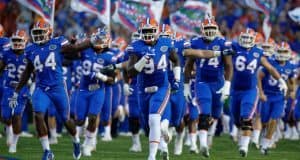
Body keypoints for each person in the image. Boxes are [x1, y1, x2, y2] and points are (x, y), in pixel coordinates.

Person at [9, 19, 101, 160]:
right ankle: (47, 151)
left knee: (65, 119)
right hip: (41, 88)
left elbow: (74, 49)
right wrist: (16, 92)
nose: (38, 35)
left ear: (49, 32)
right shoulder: (30, 49)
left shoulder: (57, 42)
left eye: (41, 32)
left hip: (58, 87)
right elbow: (27, 71)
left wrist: (91, 41)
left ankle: (76, 141)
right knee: (38, 115)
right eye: (36, 33)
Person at [126, 18, 181, 160]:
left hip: (161, 87)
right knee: (147, 125)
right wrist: (143, 60)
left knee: (154, 118)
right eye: (146, 31)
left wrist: (177, 79)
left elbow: (175, 60)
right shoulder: (136, 46)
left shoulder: (166, 43)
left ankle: (152, 156)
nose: (148, 34)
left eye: (151, 31)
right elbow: (130, 72)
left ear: (157, 31)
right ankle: (162, 144)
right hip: (142, 89)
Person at [229, 28, 287, 157]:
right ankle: (244, 137)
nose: (246, 41)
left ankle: (245, 147)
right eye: (244, 38)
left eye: (249, 38)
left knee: (247, 117)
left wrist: (281, 81)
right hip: (235, 89)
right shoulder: (234, 47)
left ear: (254, 40)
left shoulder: (258, 52)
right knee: (237, 119)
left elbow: (270, 68)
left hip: (250, 90)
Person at [184, 17, 233, 157]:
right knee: (204, 113)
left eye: (212, 29)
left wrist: (227, 85)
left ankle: (209, 137)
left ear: (216, 30)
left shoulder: (223, 43)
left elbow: (229, 66)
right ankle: (203, 144)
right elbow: (188, 65)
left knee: (216, 114)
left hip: (218, 83)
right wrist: (186, 85)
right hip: (202, 82)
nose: (210, 32)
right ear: (202, 30)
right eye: (207, 29)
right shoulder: (195, 42)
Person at [75, 27, 116, 156]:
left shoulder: (109, 56)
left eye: (100, 39)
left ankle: (88, 143)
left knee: (93, 117)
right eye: (96, 39)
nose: (97, 42)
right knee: (80, 120)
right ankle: (83, 139)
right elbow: (72, 52)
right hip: (83, 89)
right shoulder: (86, 51)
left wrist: (102, 77)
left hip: (98, 90)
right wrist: (75, 43)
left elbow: (113, 79)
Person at [258, 42, 297, 154]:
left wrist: (292, 90)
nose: (282, 54)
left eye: (284, 51)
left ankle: (265, 145)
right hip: (267, 94)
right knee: (265, 121)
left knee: (274, 120)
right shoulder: (270, 62)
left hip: (279, 97)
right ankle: (263, 136)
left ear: (289, 53)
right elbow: (259, 76)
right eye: (280, 51)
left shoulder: (291, 65)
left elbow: (291, 80)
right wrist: (261, 92)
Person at [0, 29, 29, 153]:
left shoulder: (30, 53)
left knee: (17, 116)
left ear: (25, 41)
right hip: (8, 87)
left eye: (19, 40)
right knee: (5, 116)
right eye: (15, 40)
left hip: (22, 89)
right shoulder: (7, 53)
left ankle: (14, 143)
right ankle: (9, 129)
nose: (16, 43)